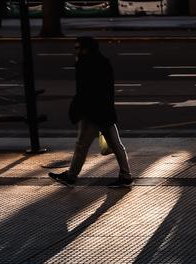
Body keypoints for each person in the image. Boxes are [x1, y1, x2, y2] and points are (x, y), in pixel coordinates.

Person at [49, 37, 133, 188]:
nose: (75, 50)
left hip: (91, 113)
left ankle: (71, 176)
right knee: (116, 144)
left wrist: (76, 110)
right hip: (106, 110)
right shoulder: (103, 62)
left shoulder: (84, 64)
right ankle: (126, 175)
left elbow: (83, 91)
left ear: (85, 49)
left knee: (81, 145)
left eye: (78, 48)